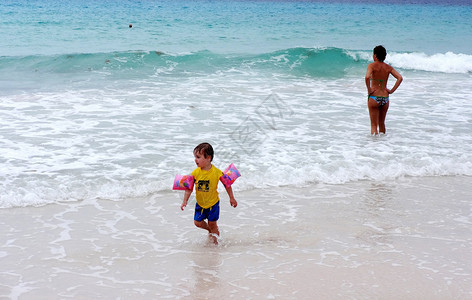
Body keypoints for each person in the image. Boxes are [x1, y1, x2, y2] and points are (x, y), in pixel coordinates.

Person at [180, 143, 237, 244]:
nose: (195, 160)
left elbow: (227, 185)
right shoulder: (195, 173)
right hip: (200, 204)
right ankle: (209, 230)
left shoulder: (217, 172)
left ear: (208, 158)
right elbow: (189, 189)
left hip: (213, 204)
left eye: (198, 157)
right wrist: (185, 201)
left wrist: (231, 198)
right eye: (195, 157)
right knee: (197, 223)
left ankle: (216, 245)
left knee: (213, 224)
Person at [365, 45, 403, 135]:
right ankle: (383, 145)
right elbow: (400, 78)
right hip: (385, 98)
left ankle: (375, 147)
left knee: (374, 125)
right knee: (381, 124)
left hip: (374, 97)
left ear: (375, 55)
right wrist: (391, 91)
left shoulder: (371, 66)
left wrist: (369, 90)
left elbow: (367, 77)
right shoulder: (388, 67)